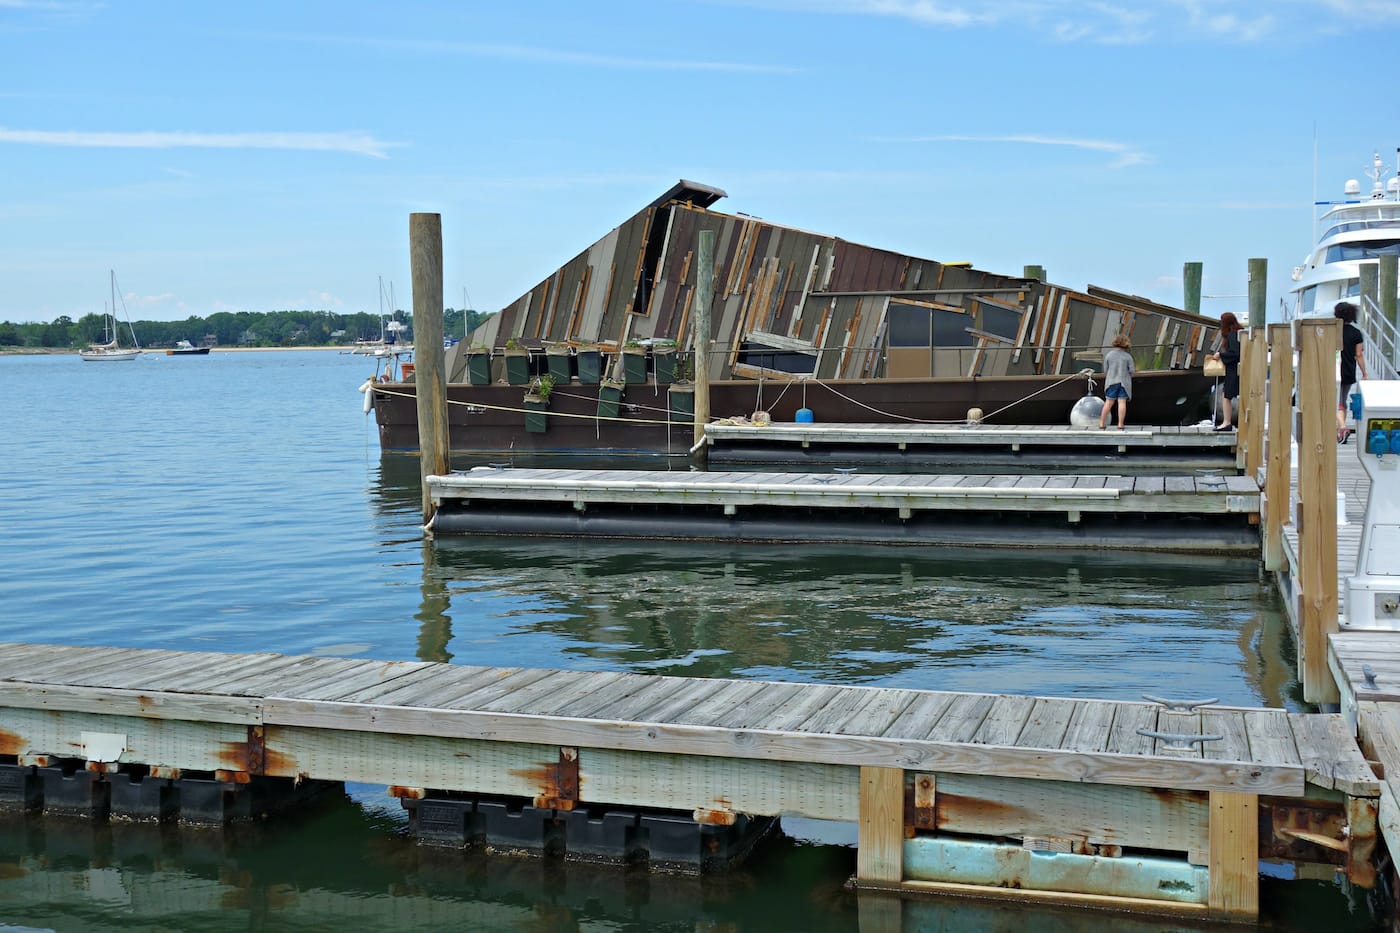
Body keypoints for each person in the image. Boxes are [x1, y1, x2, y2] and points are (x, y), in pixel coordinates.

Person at [1336, 301, 1366, 444]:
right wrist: (1364, 373)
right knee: (1342, 400)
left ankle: (1342, 428)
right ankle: (1340, 431)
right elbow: (1358, 355)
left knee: (1335, 402)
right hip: (1348, 371)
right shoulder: (1356, 333)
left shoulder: (1332, 330)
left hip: (1332, 370)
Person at [1209, 311, 1242, 431]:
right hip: (1239, 369)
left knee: (1226, 396)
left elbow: (1234, 353)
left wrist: (1221, 355)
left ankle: (1226, 422)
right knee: (1229, 395)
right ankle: (1228, 422)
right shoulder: (1238, 333)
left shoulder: (1232, 335)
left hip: (1233, 370)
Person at [1098, 334, 1134, 429]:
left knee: (1108, 402)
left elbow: (1105, 370)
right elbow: (1132, 371)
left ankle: (1101, 423)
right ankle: (1120, 424)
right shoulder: (1128, 356)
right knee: (1122, 403)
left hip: (1111, 382)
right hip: (1124, 383)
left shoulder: (1109, 355)